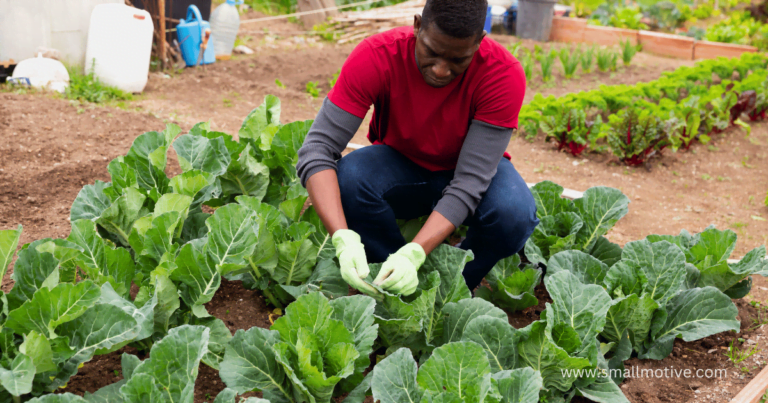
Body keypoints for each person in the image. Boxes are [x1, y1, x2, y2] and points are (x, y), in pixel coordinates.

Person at [296, 0, 538, 297]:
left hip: (469, 170)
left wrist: (416, 253)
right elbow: (318, 149)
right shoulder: (377, 56)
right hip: (402, 163)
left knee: (513, 214)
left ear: (479, 43)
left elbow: (470, 180)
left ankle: (453, 287)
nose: (440, 70)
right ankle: (384, 274)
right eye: (432, 52)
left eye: (458, 60)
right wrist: (342, 238)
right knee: (350, 179)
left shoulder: (501, 74)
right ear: (417, 26)